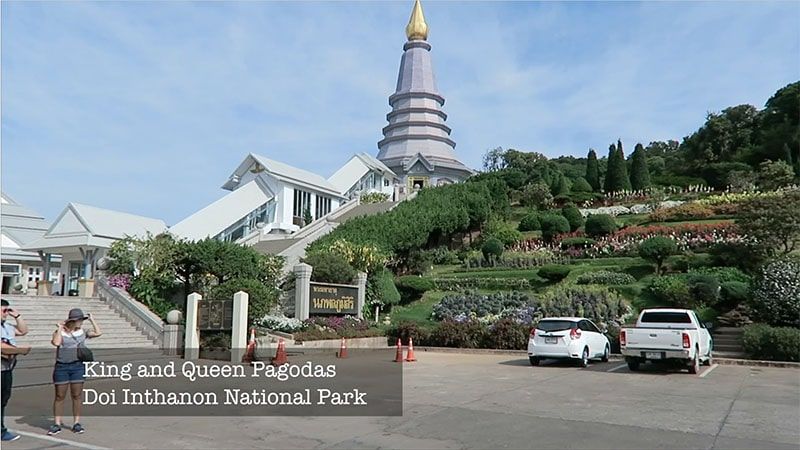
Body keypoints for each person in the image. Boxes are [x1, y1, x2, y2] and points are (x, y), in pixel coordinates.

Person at [48, 308, 101, 436]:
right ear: (72, 320)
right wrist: (60, 328)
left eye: (82, 320)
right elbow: (56, 342)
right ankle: (57, 423)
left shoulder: (82, 332)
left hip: (78, 366)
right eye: (79, 320)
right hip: (62, 367)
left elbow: (98, 333)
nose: (81, 322)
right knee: (60, 396)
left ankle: (76, 423)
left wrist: (92, 320)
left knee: (76, 396)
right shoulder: (60, 332)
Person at [1, 298, 30, 442]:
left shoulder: (7, 326)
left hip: (7, 368)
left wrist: (17, 316)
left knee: (3, 399)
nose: (6, 313)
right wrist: (19, 350)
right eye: (4, 310)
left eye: (7, 310)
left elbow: (23, 331)